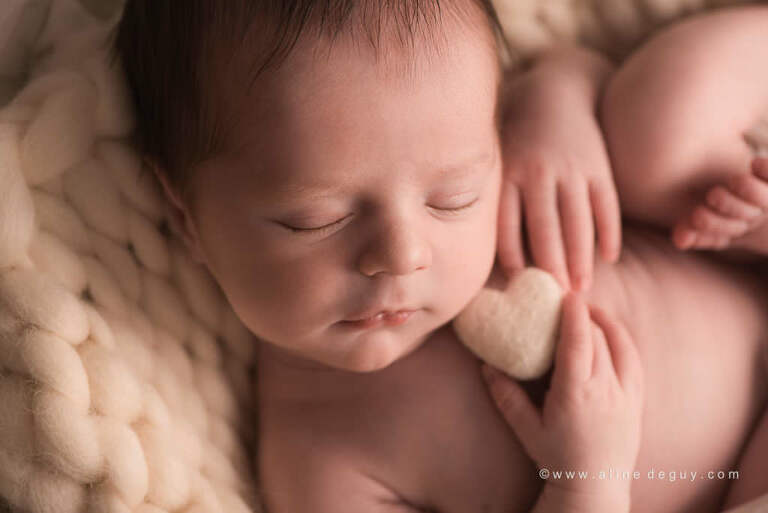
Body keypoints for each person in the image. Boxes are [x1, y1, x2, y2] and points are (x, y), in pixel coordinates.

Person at [110, 2, 768, 511]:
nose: (402, 254)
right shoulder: (318, 461)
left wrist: (556, 109)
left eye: (454, 198)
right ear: (184, 216)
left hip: (731, 243)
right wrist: (587, 479)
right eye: (317, 219)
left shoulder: (470, 134)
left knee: (656, 121)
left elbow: (572, 63)